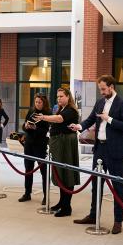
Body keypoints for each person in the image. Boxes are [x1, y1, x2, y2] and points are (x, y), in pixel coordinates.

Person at [70, 75, 123, 234]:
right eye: (100, 89)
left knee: (117, 186)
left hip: (115, 151)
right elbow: (91, 119)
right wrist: (79, 126)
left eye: (104, 89)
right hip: (99, 149)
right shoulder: (100, 103)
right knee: (95, 184)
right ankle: (93, 215)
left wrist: (109, 119)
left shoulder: (122, 103)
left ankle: (118, 220)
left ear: (111, 87)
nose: (102, 92)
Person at [35, 87, 80, 217]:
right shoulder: (62, 108)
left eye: (61, 96)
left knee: (67, 175)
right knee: (60, 174)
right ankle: (62, 202)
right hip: (59, 143)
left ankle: (67, 207)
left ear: (68, 97)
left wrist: (43, 117)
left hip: (65, 144)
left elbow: (59, 119)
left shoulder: (71, 110)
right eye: (57, 96)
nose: (59, 98)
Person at [18, 94, 51, 204]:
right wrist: (26, 126)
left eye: (39, 102)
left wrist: (36, 127)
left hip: (40, 144)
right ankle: (27, 193)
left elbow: (46, 130)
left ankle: (46, 196)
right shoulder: (31, 111)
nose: (37, 104)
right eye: (36, 102)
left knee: (43, 170)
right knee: (28, 169)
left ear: (44, 103)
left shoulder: (48, 113)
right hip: (29, 143)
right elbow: (23, 125)